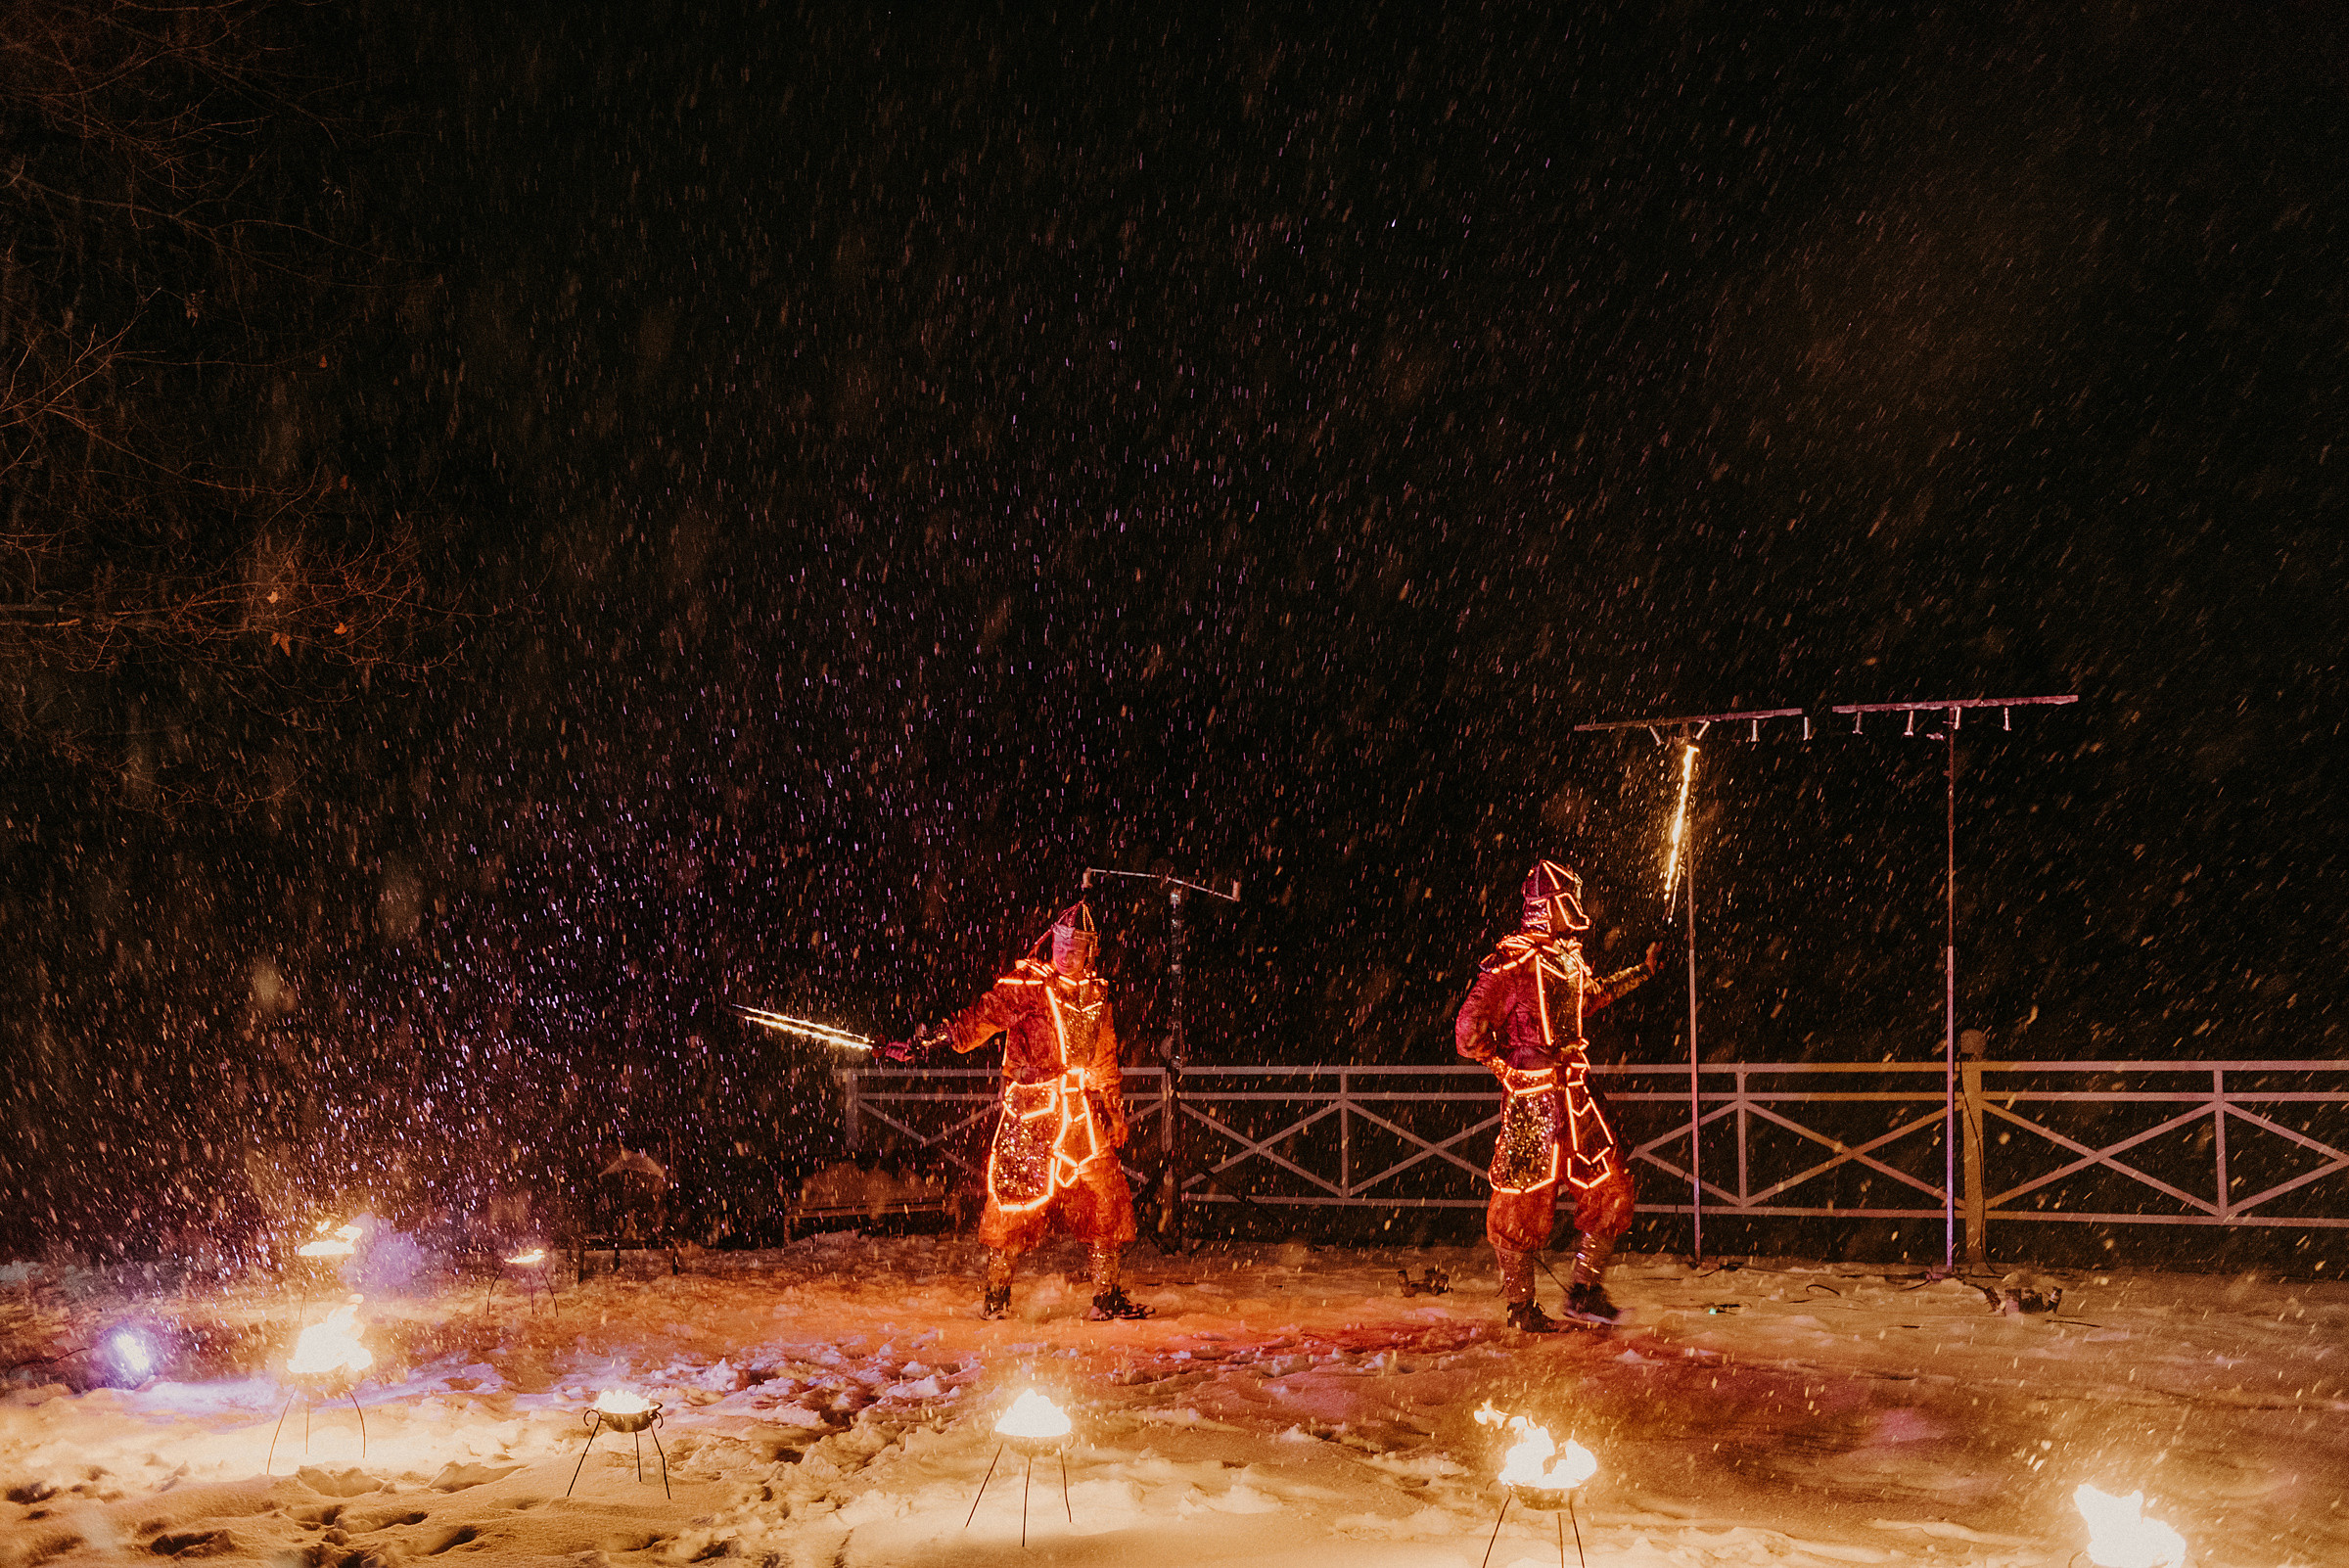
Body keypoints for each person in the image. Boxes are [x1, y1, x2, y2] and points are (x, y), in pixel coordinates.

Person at [912, 901, 1149, 1320]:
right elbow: (980, 1018)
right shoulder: (1028, 987)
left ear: (1090, 950)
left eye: (1075, 945)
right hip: (1033, 1113)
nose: (1065, 952)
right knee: (1013, 1203)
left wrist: (1113, 1113)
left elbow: (1103, 1061)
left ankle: (1107, 1296)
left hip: (1080, 1115)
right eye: (1060, 943)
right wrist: (936, 1038)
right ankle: (996, 1298)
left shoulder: (1097, 996)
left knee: (1105, 1201)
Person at [1455, 860, 1662, 1331]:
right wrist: (1503, 1066)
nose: (1578, 908)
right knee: (1519, 1204)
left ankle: (1584, 1291)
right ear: (1548, 906)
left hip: (1576, 1098)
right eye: (1570, 898)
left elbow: (1594, 995)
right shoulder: (1511, 964)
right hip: (1533, 1102)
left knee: (1611, 1188)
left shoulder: (1568, 961)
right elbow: (1467, 1031)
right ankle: (1522, 1309)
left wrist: (1644, 972)